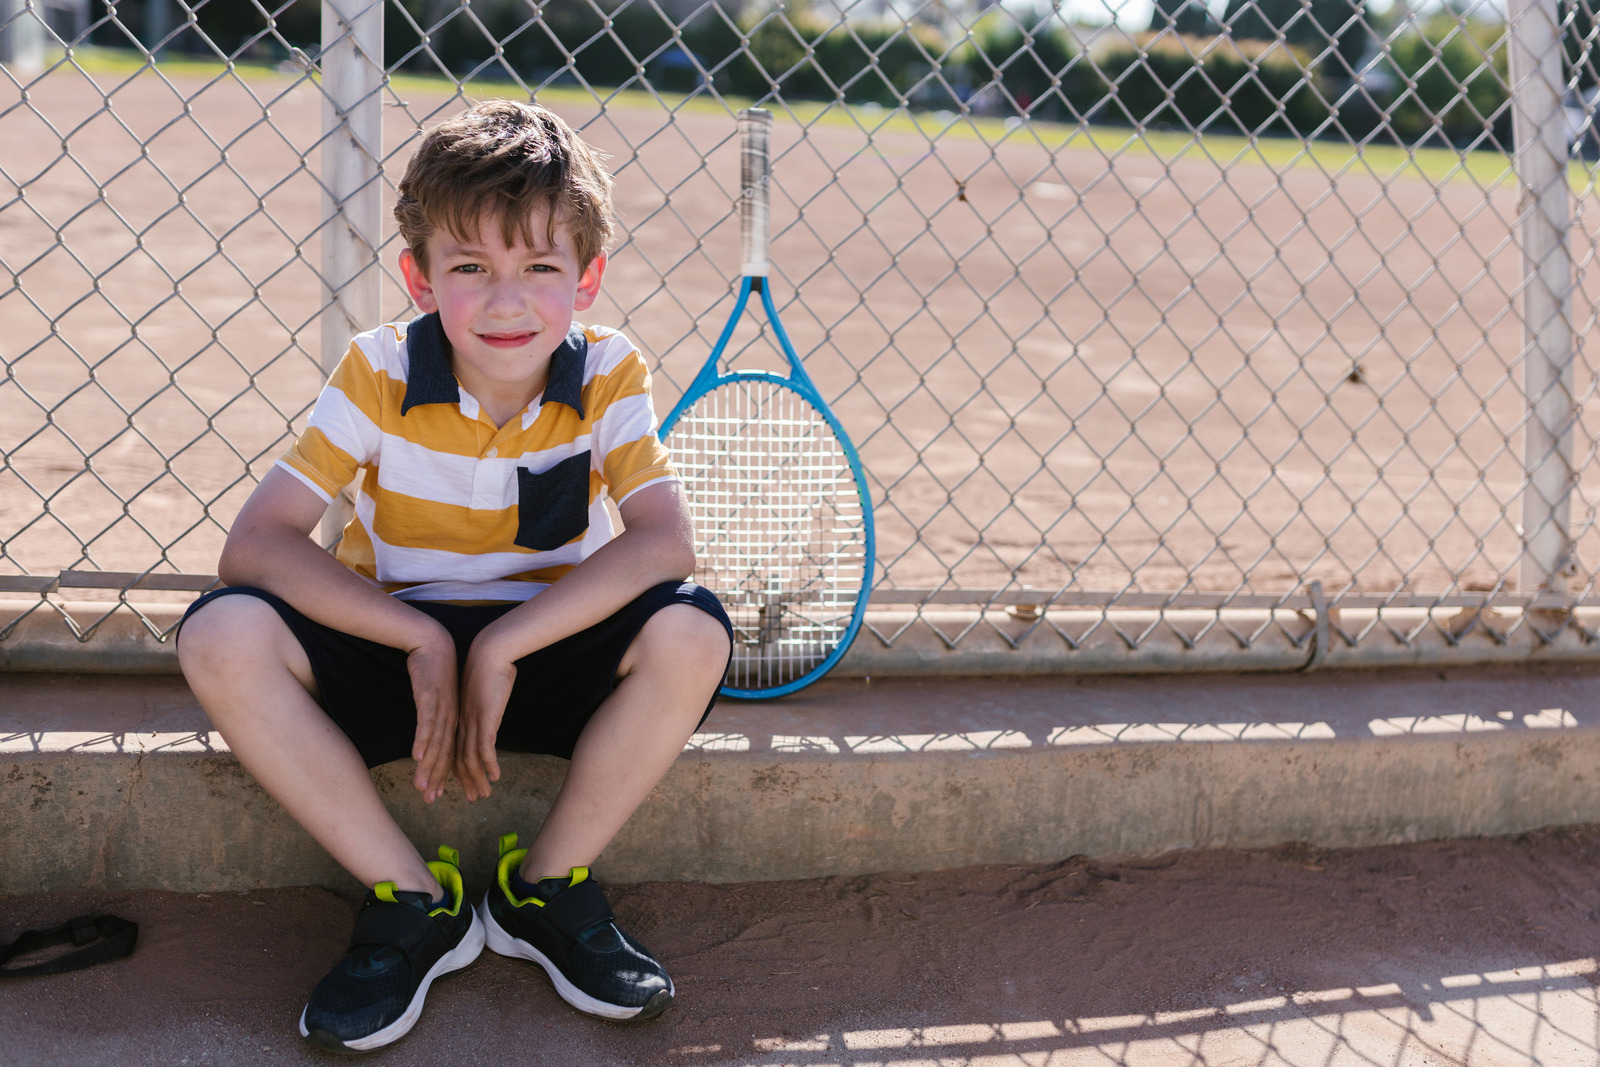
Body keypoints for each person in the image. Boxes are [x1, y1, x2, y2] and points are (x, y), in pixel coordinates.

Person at [176, 99, 732, 1053]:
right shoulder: (378, 369)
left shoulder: (607, 373)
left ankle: (541, 890)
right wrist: (423, 637)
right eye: (470, 267)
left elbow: (664, 541)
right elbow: (258, 541)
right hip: (402, 664)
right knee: (220, 630)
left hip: (543, 657)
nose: (505, 300)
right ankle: (416, 900)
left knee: (692, 627)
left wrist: (510, 640)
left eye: (540, 268)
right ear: (420, 277)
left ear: (587, 278)